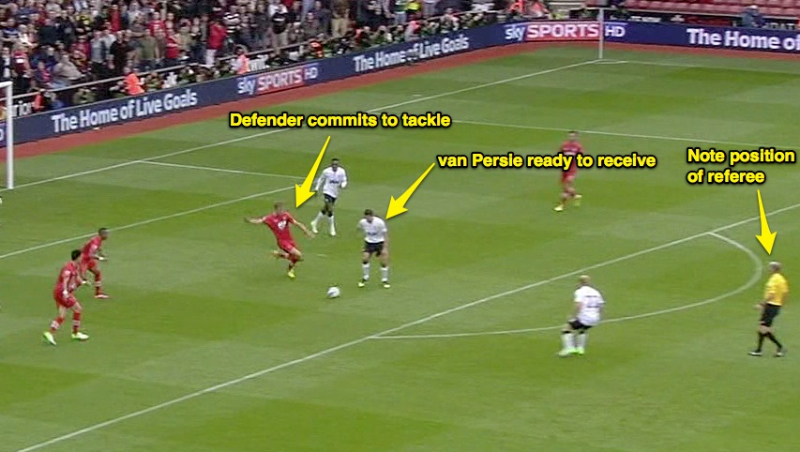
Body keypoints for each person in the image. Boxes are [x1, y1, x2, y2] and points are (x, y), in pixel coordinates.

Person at [245, 202, 314, 279]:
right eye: (281, 210)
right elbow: (259, 221)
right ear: (276, 210)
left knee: (297, 258)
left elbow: (297, 223)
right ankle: (283, 258)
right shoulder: (270, 218)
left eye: (283, 210)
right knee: (298, 255)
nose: (283, 211)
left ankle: (286, 264)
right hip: (282, 242)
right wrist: (250, 221)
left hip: (290, 240)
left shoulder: (286, 215)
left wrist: (306, 232)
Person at [43, 250, 90, 345]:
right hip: (62, 292)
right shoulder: (68, 268)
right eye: (81, 257)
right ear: (77, 257)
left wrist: (83, 282)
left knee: (62, 315)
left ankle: (50, 333)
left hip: (59, 292)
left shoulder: (75, 266)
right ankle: (75, 333)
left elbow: (77, 277)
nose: (82, 258)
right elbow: (65, 279)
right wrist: (65, 292)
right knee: (78, 309)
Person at [559, 275, 604, 357]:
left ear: (580, 283)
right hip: (595, 318)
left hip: (585, 317)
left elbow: (578, 305)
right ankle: (580, 349)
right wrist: (597, 315)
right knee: (583, 328)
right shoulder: (596, 292)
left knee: (566, 328)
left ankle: (569, 348)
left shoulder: (580, 291)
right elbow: (601, 306)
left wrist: (572, 315)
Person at [750, 261, 788, 357]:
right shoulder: (782, 279)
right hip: (776, 306)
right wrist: (780, 304)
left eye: (770, 268)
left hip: (771, 306)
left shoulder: (773, 280)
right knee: (763, 328)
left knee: (763, 328)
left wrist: (761, 304)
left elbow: (771, 294)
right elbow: (785, 292)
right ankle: (759, 350)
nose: (768, 269)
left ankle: (780, 347)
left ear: (773, 269)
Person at [310, 158, 348, 236]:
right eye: (333, 164)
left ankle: (314, 222)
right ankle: (332, 228)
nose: (334, 166)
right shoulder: (326, 171)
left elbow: (344, 180)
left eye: (336, 164)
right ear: (331, 165)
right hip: (327, 191)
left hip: (335, 193)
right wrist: (317, 188)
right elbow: (321, 179)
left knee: (325, 209)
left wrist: (343, 185)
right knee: (330, 210)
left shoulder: (342, 171)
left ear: (338, 165)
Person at [356, 209, 390, 288]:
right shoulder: (362, 222)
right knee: (365, 259)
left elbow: (385, 235)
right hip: (369, 243)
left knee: (383, 262)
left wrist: (385, 248)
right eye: (366, 217)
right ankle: (365, 277)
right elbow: (358, 228)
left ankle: (385, 280)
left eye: (369, 217)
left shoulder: (380, 223)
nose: (368, 219)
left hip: (379, 242)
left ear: (372, 216)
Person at [554, 131, 584, 212]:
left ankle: (561, 205)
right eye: (570, 136)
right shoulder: (564, 145)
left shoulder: (578, 146)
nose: (571, 137)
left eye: (573, 136)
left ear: (576, 137)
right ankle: (576, 196)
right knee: (566, 187)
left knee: (566, 187)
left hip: (572, 169)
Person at [80, 228, 110, 299]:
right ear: (102, 234)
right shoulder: (95, 241)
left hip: (88, 259)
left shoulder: (98, 239)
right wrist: (100, 258)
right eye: (106, 234)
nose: (108, 235)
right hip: (83, 259)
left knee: (97, 273)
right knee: (82, 278)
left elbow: (98, 248)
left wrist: (101, 253)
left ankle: (98, 293)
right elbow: (90, 254)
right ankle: (65, 291)